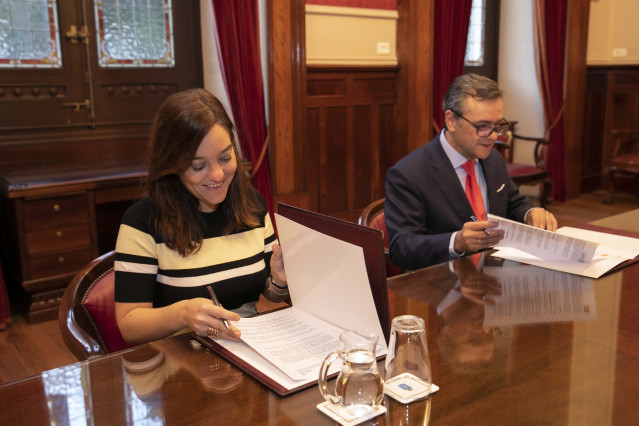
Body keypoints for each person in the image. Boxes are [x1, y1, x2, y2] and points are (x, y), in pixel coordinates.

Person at [114, 88, 288, 345]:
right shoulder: (143, 222)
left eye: (225, 158)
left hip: (249, 350)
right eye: (198, 166)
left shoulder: (252, 207)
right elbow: (129, 325)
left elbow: (268, 295)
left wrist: (279, 283)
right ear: (172, 164)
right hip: (180, 362)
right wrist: (183, 314)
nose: (217, 175)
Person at [385, 73, 557, 270]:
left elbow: (512, 202)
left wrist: (531, 212)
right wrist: (455, 242)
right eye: (482, 126)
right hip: (440, 287)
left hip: (494, 278)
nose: (493, 136)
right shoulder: (409, 174)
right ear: (451, 120)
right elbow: (402, 248)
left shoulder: (494, 160)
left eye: (498, 125)